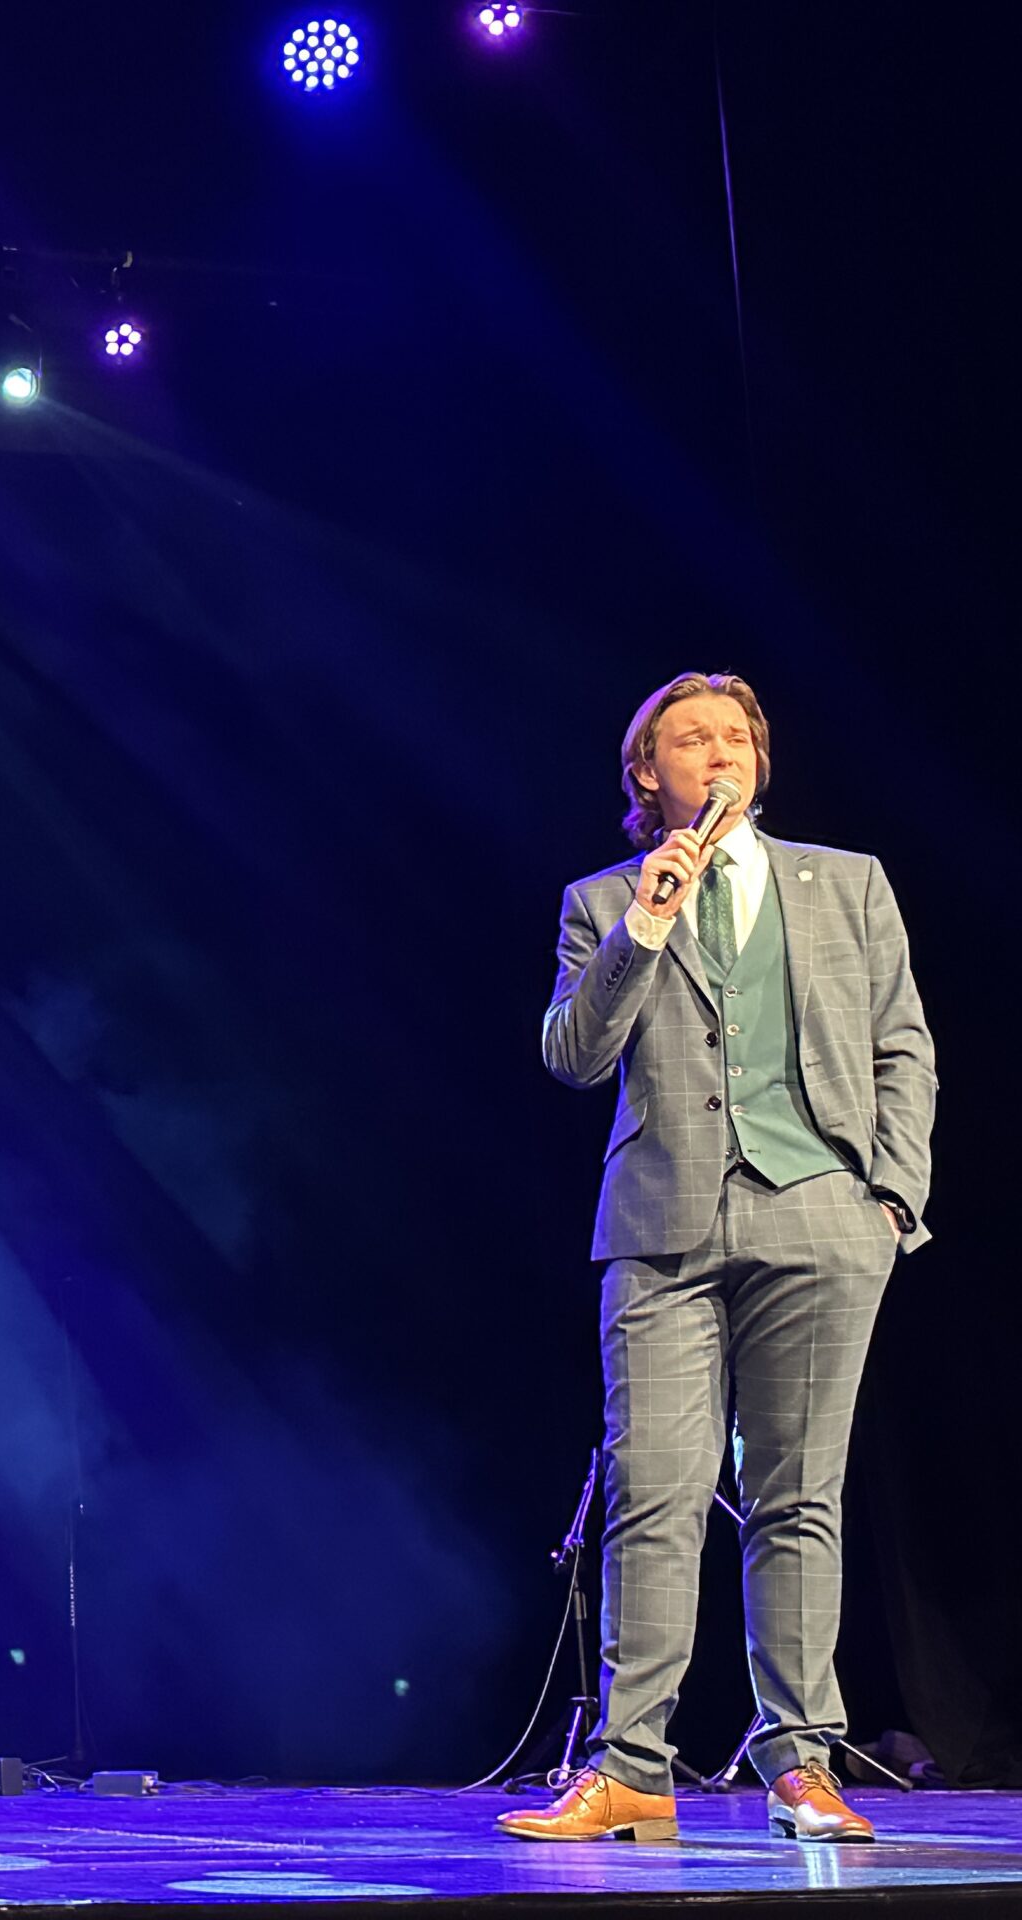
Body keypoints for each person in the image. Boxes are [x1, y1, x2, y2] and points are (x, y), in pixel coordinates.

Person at [502, 671, 935, 1846]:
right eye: (690, 738)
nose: (719, 752)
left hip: (820, 1215)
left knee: (798, 1496)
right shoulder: (603, 901)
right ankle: (630, 1769)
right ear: (648, 773)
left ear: (758, 759)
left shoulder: (846, 883)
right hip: (662, 1227)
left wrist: (889, 1198)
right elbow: (572, 1054)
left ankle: (800, 1762)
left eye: (735, 736)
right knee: (653, 1492)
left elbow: (902, 1046)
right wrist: (646, 926)